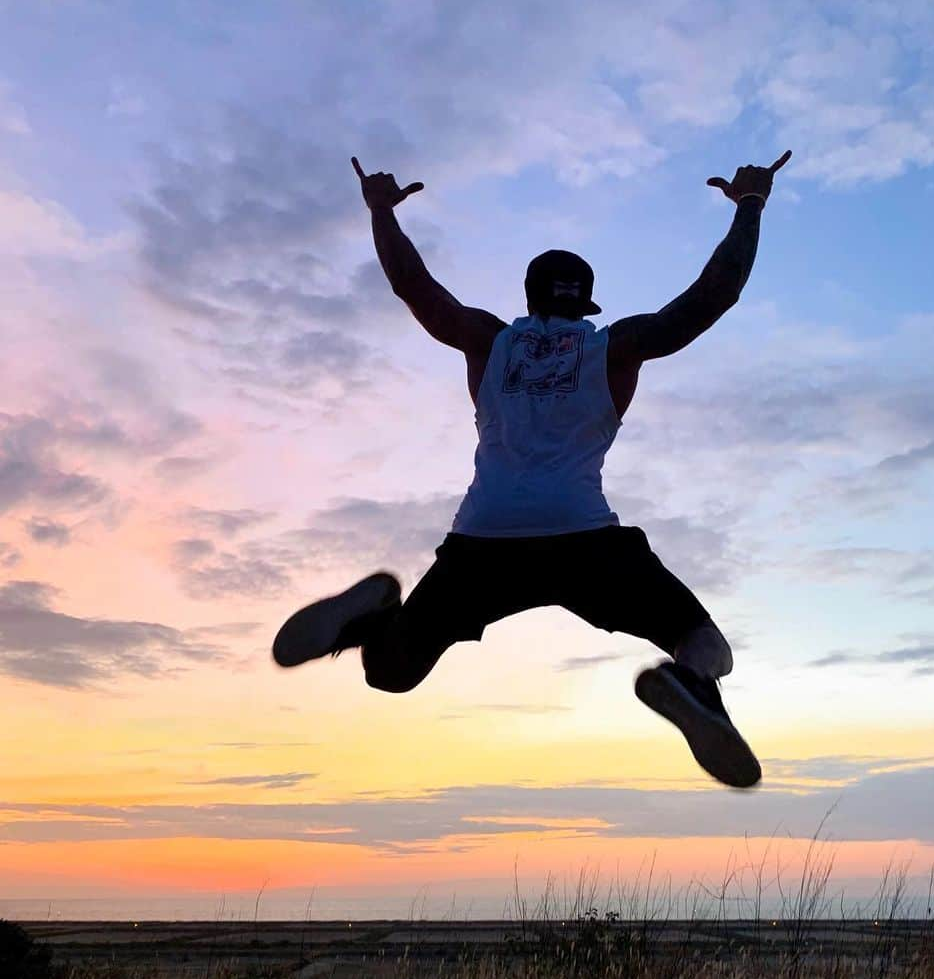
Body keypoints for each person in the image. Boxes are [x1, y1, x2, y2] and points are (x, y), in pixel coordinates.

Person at [273, 149, 792, 788]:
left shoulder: (489, 341)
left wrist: (381, 213)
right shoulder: (615, 346)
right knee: (708, 648)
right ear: (588, 303)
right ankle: (690, 686)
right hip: (585, 538)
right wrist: (750, 206)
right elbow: (715, 296)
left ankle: (375, 612)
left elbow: (415, 286)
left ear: (529, 297)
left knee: (391, 671)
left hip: (484, 539)